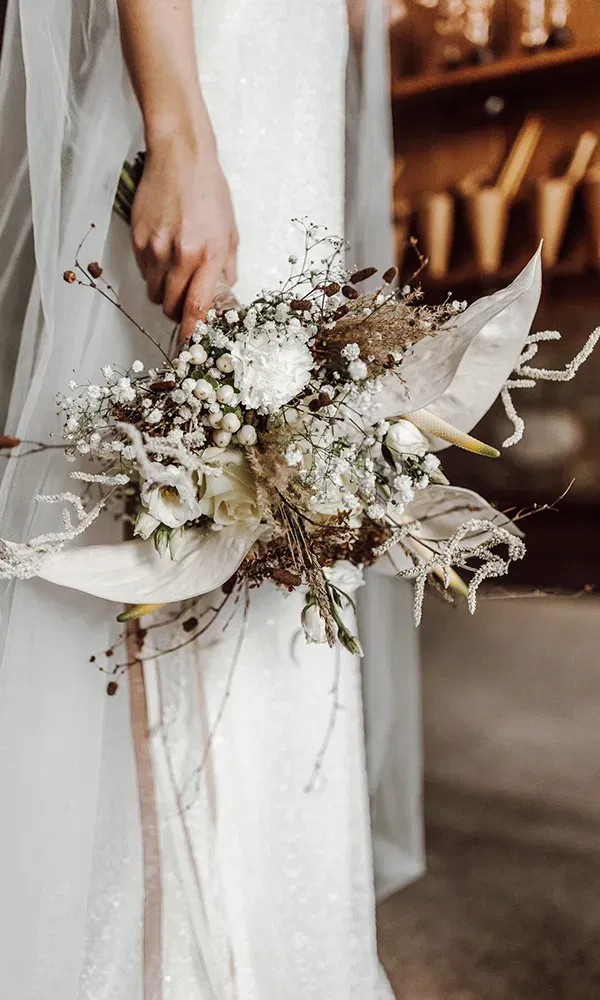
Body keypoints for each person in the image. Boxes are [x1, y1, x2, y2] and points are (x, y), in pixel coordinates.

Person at [0, 1, 423, 996]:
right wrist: (179, 127)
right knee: (185, 497)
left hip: (288, 62)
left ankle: (282, 947)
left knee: (286, 523)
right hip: (211, 60)